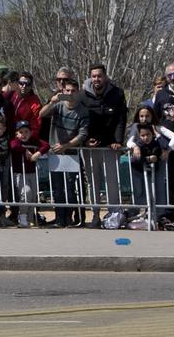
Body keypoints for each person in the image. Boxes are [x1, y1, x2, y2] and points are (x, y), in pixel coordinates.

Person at [78, 63, 127, 228]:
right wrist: (85, 140)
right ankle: (95, 215)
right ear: (90, 77)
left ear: (105, 77)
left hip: (110, 146)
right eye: (94, 76)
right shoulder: (82, 95)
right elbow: (80, 120)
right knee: (93, 182)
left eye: (99, 76)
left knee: (112, 181)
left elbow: (121, 119)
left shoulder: (117, 93)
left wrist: (118, 141)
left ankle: (114, 214)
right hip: (89, 147)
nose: (96, 79)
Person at [41, 77, 88, 228]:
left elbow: (82, 134)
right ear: (62, 91)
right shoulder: (58, 105)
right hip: (55, 153)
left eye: (73, 91)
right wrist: (52, 101)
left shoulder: (82, 110)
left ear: (78, 92)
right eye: (67, 90)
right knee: (57, 188)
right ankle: (59, 218)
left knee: (71, 187)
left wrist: (66, 145)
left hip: (72, 153)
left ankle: (72, 217)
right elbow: (41, 114)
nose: (70, 93)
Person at [10, 119, 48, 228]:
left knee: (33, 196)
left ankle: (30, 218)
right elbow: (13, 146)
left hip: (32, 173)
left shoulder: (33, 141)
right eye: (21, 132)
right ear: (17, 134)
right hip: (19, 173)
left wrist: (38, 153)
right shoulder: (16, 141)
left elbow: (46, 145)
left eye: (26, 132)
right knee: (26, 193)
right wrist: (25, 151)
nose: (24, 134)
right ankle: (22, 216)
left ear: (31, 133)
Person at [129, 124, 169, 226]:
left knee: (153, 195)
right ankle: (136, 215)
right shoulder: (139, 144)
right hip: (139, 174)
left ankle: (154, 217)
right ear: (139, 136)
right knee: (139, 193)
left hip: (152, 174)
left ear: (152, 134)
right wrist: (147, 159)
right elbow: (134, 160)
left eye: (148, 135)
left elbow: (165, 146)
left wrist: (157, 134)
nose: (145, 137)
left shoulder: (156, 143)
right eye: (143, 135)